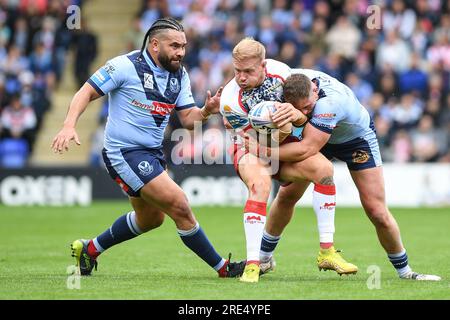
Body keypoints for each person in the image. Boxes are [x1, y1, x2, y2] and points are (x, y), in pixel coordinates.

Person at [51, 18, 245, 278]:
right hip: (123, 152)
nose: (181, 52)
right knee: (179, 205)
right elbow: (85, 92)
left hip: (152, 153)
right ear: (154, 45)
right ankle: (223, 268)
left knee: (150, 220)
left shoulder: (180, 75)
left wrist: (206, 111)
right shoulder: (124, 66)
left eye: (183, 46)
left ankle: (90, 249)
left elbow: (188, 120)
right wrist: (68, 125)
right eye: (174, 45)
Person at [251, 70, 441, 281]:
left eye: (307, 106)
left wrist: (263, 151)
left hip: (355, 139)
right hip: (318, 133)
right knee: (287, 196)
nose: (305, 111)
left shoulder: (329, 103)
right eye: (299, 108)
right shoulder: (291, 82)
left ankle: (405, 272)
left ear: (315, 90)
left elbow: (306, 148)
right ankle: (263, 259)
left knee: (377, 211)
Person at [220, 38, 357, 283]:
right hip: (251, 146)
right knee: (260, 187)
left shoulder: (282, 72)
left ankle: (327, 251)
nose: (241, 77)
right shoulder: (230, 101)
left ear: (263, 65)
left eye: (248, 71)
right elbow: (254, 141)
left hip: (282, 145)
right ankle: (253, 264)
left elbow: (301, 118)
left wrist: (296, 117)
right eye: (237, 71)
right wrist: (279, 126)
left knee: (324, 170)